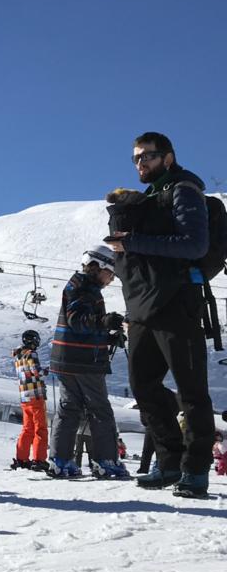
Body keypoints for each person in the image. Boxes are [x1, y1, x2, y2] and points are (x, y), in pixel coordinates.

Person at [107, 132, 217, 498]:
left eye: (147, 157)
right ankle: (170, 461)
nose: (140, 164)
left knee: (191, 391)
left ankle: (196, 470)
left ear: (167, 158)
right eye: (136, 158)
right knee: (144, 386)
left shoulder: (183, 189)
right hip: (142, 306)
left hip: (176, 301)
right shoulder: (147, 199)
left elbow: (194, 245)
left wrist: (133, 242)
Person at [48, 246, 129, 480]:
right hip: (83, 361)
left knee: (69, 408)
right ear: (99, 266)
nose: (111, 280)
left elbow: (81, 327)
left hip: (66, 359)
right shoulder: (85, 288)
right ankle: (106, 461)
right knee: (100, 409)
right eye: (110, 274)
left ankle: (61, 460)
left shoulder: (78, 285)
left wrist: (107, 336)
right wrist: (104, 321)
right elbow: (77, 321)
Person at [10, 330, 48, 471]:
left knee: (27, 429)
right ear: (33, 341)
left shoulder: (18, 356)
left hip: (24, 397)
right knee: (40, 429)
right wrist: (47, 371)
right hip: (35, 395)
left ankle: (22, 458)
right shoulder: (31, 354)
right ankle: (39, 460)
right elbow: (36, 372)